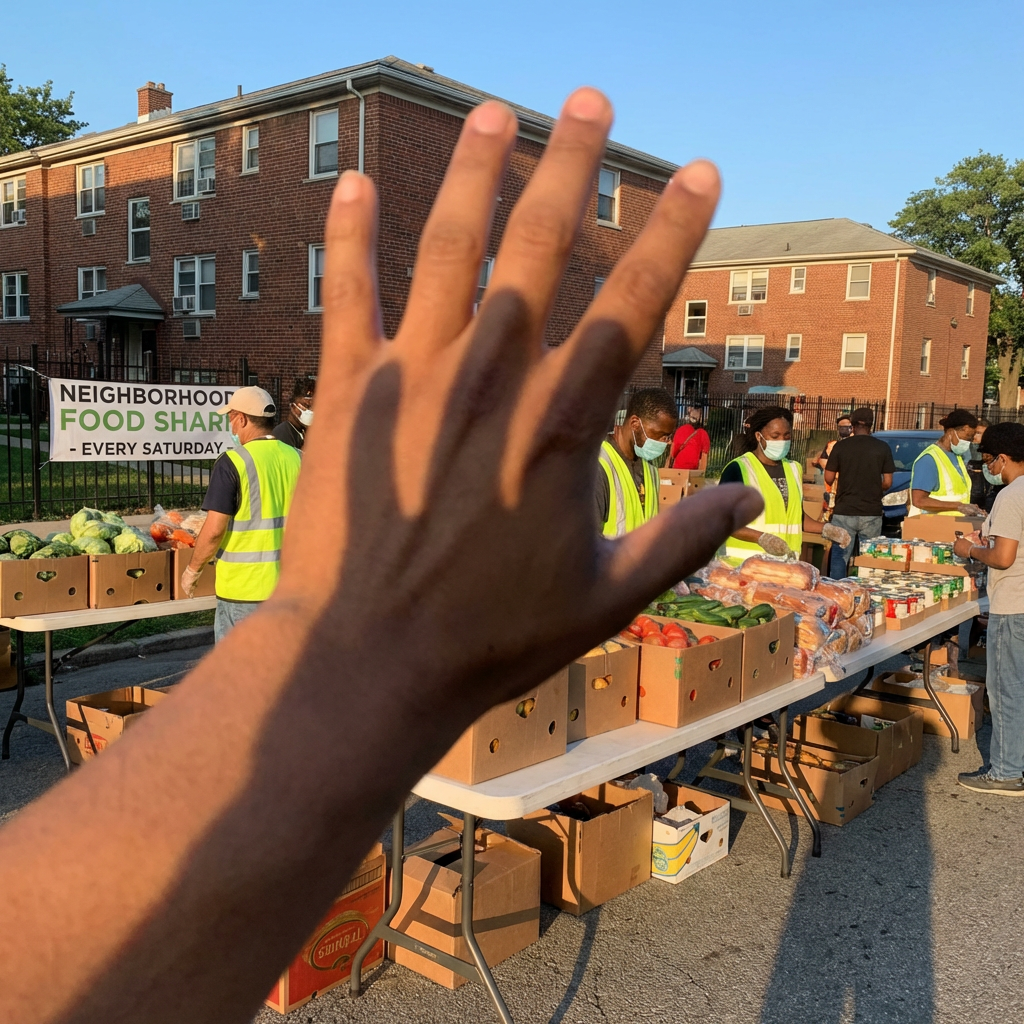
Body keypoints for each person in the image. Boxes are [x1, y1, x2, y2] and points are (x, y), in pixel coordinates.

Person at [0, 91, 758, 1024]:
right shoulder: (279, 453)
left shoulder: (247, 458)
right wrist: (376, 660)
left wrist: (357, 652)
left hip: (266, 614)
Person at [181, 385, 303, 641]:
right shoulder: (299, 458)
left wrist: (193, 570)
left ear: (242, 419)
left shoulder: (232, 463)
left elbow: (214, 531)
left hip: (243, 592)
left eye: (231, 419)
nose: (232, 428)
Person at [952, 421, 1024, 795]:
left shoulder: (1012, 496)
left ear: (1003, 458)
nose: (986, 470)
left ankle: (1007, 771)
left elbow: (1003, 556)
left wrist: (970, 549)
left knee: (1006, 689)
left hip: (1014, 605)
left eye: (987, 462)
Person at [718, 406, 848, 564]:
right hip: (745, 567)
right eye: (775, 436)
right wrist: (762, 538)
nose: (782, 441)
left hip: (786, 567)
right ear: (759, 436)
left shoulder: (794, 469)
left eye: (787, 436)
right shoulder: (739, 469)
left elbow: (795, 516)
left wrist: (826, 529)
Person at [823, 407, 894, 577]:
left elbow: (828, 478)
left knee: (840, 558)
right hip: (871, 512)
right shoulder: (882, 448)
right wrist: (876, 487)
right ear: (872, 425)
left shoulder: (841, 446)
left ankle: (838, 593)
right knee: (869, 560)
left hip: (844, 511)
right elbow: (888, 482)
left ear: (852, 425)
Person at [597, 387, 677, 536]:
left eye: (667, 437)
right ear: (635, 423)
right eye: (660, 435)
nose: (666, 442)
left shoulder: (650, 470)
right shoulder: (599, 467)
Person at [908, 409, 982, 517]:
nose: (969, 442)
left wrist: (970, 508)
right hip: (933, 526)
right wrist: (958, 506)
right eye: (967, 437)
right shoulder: (929, 459)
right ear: (951, 432)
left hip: (953, 525)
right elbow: (919, 500)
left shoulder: (958, 456)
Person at [816, 414, 852, 517]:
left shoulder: (858, 445)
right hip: (832, 488)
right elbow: (823, 462)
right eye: (841, 427)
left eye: (847, 426)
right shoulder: (832, 445)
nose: (844, 429)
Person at [272, 374, 317, 450]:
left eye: (313, 406)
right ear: (293, 407)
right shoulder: (282, 434)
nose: (310, 411)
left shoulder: (304, 431)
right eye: (305, 406)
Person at [669, 404, 710, 472]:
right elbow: (703, 461)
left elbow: (672, 453)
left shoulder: (680, 430)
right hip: (692, 472)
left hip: (677, 469)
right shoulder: (703, 434)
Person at [967, 419, 989, 509]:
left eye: (979, 433)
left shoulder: (991, 458)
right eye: (974, 433)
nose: (975, 437)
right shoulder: (965, 451)